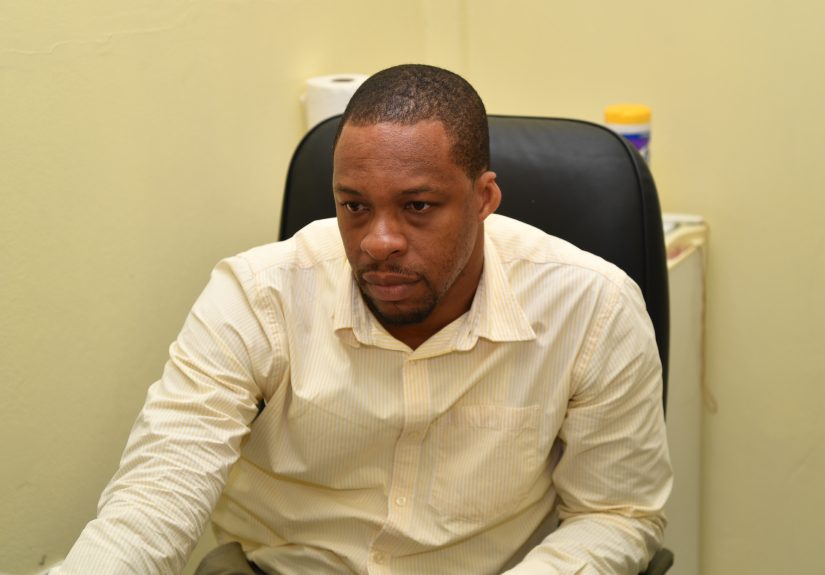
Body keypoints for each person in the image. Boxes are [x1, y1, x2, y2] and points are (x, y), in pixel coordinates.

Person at [55, 64, 672, 575]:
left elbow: (616, 512)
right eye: (354, 206)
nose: (379, 241)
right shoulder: (258, 296)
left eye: (417, 206)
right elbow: (156, 494)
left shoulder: (592, 307)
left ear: (484, 198)